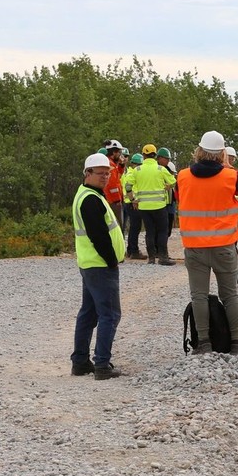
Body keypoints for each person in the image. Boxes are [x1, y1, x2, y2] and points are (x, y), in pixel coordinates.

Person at [176, 131, 238, 355]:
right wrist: (228, 166)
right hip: (224, 247)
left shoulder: (183, 176)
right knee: (230, 295)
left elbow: (180, 196)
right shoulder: (230, 176)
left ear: (198, 151)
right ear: (223, 154)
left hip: (195, 247)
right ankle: (235, 342)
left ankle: (204, 342)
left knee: (198, 295)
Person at [70, 153, 126, 380]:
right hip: (100, 265)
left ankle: (81, 362)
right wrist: (112, 260)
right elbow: (99, 236)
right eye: (100, 174)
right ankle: (102, 364)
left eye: (107, 173)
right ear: (87, 174)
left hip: (90, 263)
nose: (105, 177)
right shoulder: (90, 199)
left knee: (89, 313)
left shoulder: (89, 194)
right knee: (110, 314)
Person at [127, 143, 177, 265]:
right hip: (159, 206)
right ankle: (163, 257)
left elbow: (128, 186)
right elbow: (173, 181)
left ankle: (151, 258)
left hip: (144, 207)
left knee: (150, 231)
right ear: (155, 155)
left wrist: (133, 199)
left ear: (144, 155)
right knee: (162, 231)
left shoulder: (137, 170)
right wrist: (167, 187)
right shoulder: (161, 169)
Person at [102, 139, 126, 230]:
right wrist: (117, 200)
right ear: (114, 152)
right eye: (119, 152)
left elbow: (118, 175)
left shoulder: (111, 163)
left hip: (111, 200)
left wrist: (122, 165)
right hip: (113, 201)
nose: (120, 155)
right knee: (117, 226)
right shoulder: (110, 164)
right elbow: (112, 184)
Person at [157, 147, 178, 237]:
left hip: (170, 204)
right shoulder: (159, 171)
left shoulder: (170, 177)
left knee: (168, 228)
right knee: (162, 228)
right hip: (162, 204)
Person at [122, 153, 143, 237]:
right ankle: (132, 248)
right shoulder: (131, 174)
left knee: (135, 226)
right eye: (139, 165)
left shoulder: (132, 173)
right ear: (135, 164)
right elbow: (130, 189)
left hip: (132, 202)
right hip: (131, 202)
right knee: (135, 226)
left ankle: (132, 247)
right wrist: (133, 200)